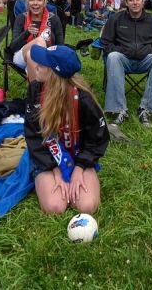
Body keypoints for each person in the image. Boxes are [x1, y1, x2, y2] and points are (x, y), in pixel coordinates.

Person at [24, 45, 109, 214]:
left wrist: (79, 169)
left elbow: (97, 139)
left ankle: (82, 174)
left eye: (42, 63)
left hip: (79, 157)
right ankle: (45, 178)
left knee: (87, 206)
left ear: (54, 73)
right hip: (47, 157)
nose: (36, 66)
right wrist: (55, 171)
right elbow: (33, 136)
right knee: (55, 207)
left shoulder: (83, 98)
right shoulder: (35, 90)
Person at [101, 0, 152, 127]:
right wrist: (122, 50)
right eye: (131, 0)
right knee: (113, 56)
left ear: (143, 2)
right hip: (123, 59)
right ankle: (119, 110)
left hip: (145, 59)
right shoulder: (116, 19)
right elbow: (106, 43)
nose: (135, 2)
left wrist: (147, 50)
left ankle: (146, 108)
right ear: (126, 2)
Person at [7, 0, 64, 71]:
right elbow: (13, 47)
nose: (35, 3)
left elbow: (60, 46)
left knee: (33, 57)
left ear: (44, 2)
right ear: (28, 2)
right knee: (40, 41)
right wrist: (27, 33)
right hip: (21, 57)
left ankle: (34, 82)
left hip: (47, 58)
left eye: (39, 0)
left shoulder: (54, 19)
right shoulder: (21, 18)